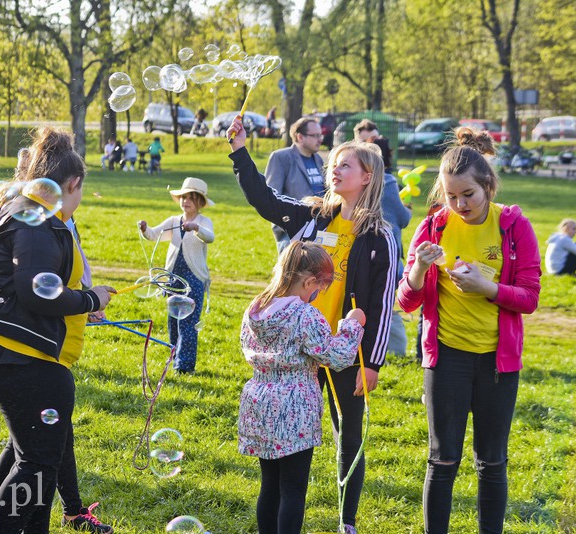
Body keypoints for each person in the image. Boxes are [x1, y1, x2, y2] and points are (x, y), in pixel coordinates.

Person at [228, 116, 398, 534]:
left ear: (367, 176)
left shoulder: (382, 236)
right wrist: (239, 152)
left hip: (345, 350)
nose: (334, 170)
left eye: (345, 165)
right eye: (333, 165)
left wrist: (371, 362)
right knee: (291, 447)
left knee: (348, 437)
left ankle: (347, 520)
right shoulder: (314, 217)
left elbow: (381, 304)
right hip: (300, 347)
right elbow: (265, 201)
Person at [0, 127, 113, 532]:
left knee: (34, 457)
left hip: (21, 353)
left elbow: (42, 288)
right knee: (36, 463)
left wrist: (83, 307)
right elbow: (36, 293)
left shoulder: (30, 211)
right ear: (73, 183)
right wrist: (90, 300)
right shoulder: (36, 221)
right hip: (19, 358)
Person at [397, 126, 541, 534]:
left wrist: (488, 288)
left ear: (488, 186)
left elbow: (529, 297)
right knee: (442, 460)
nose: (459, 204)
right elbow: (406, 303)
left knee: (491, 462)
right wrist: (421, 269)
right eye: (450, 196)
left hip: (497, 362)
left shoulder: (513, 227)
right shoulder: (433, 228)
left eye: (468, 195)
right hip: (446, 358)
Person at [238, 241, 365, 534]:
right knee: (293, 489)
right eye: (318, 288)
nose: (317, 295)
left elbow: (247, 347)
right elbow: (336, 356)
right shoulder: (304, 315)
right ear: (309, 281)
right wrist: (352, 326)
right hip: (294, 408)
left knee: (269, 486)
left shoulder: (255, 308)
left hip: (259, 402)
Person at [138, 177, 215, 374]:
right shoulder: (174, 221)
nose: (185, 201)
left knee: (188, 323)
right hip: (173, 279)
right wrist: (145, 228)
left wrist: (195, 228)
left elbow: (210, 237)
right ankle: (174, 358)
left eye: (190, 198)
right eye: (183, 197)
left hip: (194, 279)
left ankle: (185, 366)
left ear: (199, 201)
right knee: (173, 322)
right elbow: (154, 235)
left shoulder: (203, 222)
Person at [356, 119, 412, 356]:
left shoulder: (356, 181)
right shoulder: (387, 182)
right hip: (385, 250)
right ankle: (396, 351)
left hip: (357, 249)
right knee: (386, 304)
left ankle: (361, 346)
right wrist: (406, 209)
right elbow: (402, 218)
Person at [265, 117, 326, 254]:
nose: (320, 139)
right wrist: (285, 229)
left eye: (320, 135)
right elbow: (271, 198)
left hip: (318, 231)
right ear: (300, 136)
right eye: (315, 135)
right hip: (292, 233)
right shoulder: (281, 157)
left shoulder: (318, 159)